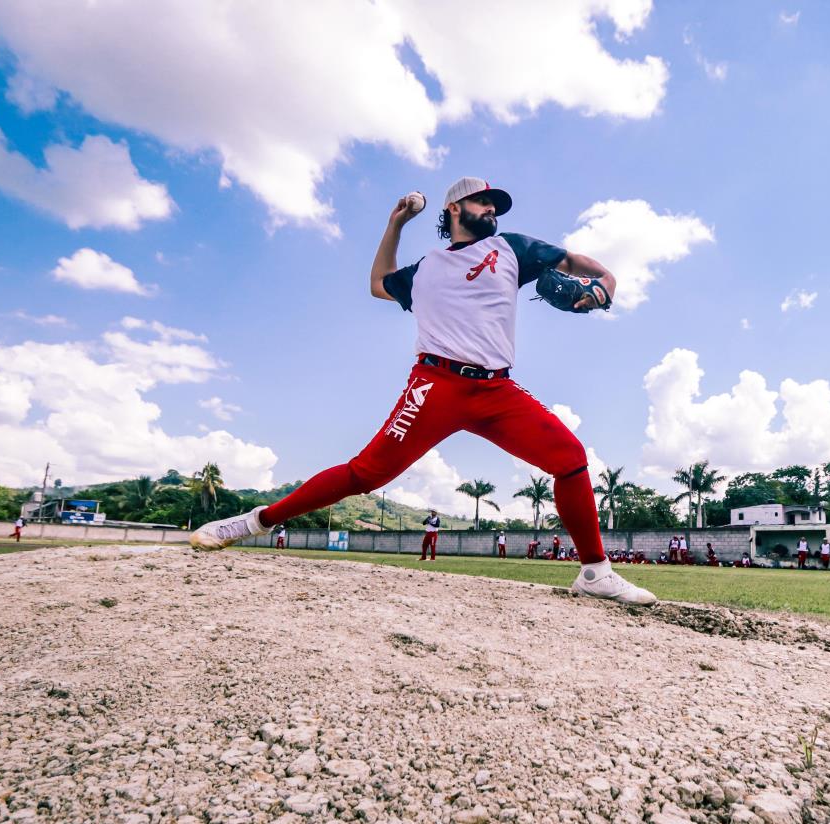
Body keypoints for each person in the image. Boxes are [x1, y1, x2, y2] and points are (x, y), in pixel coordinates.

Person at [189, 177, 654, 606]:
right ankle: (255, 521)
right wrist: (395, 224)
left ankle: (594, 572)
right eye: (482, 200)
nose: (492, 208)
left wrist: (606, 282)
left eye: (495, 204)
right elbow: (377, 284)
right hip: (435, 386)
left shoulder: (511, 248)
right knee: (365, 474)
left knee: (570, 457)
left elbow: (575, 262)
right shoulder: (424, 269)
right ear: (454, 207)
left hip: (497, 390)